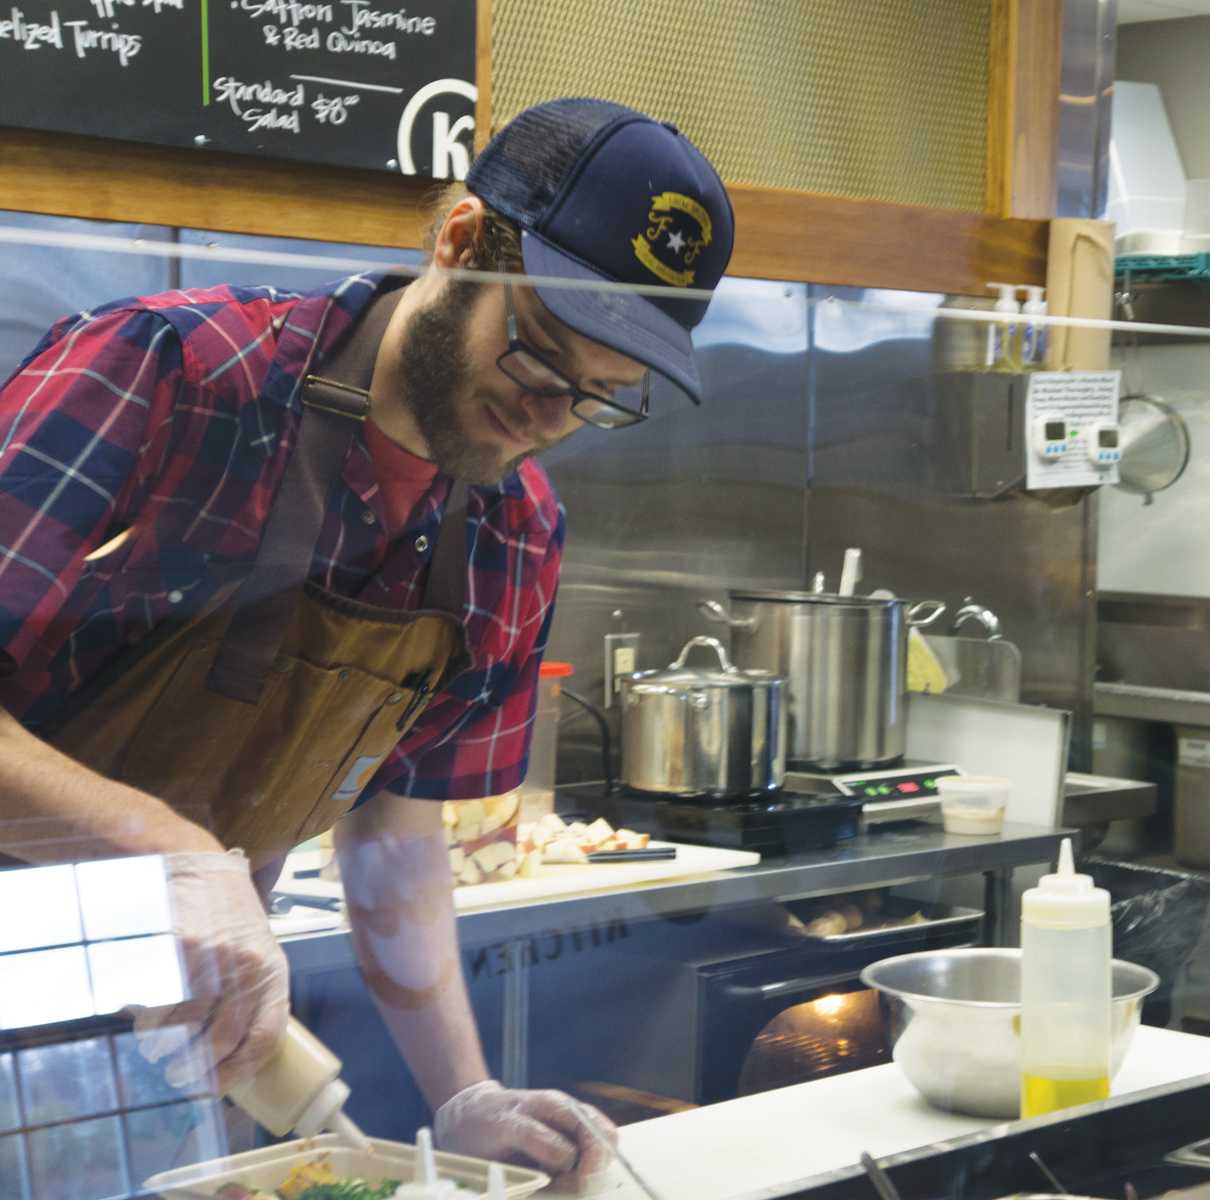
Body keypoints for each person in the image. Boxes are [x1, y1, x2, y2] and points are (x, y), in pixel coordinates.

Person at [0, 97, 734, 1189]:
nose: (550, 415)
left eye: (602, 398)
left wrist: (464, 1095)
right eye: (539, 361)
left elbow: (393, 834)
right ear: (456, 241)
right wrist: (163, 848)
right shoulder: (171, 376)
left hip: (179, 1049)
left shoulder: (512, 530)